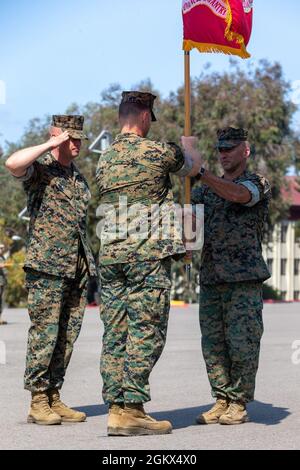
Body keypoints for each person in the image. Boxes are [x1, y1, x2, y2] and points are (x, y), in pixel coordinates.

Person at [96, 91, 201, 436]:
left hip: (111, 258)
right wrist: (189, 143)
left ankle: (116, 407)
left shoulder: (104, 159)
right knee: (146, 331)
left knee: (115, 333)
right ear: (144, 117)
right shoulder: (157, 152)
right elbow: (193, 166)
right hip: (146, 257)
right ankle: (133, 410)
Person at [6, 115, 98, 425]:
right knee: (44, 334)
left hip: (76, 267)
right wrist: (48, 144)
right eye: (68, 138)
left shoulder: (77, 177)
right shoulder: (40, 170)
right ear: (55, 136)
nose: (75, 144)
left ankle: (53, 395)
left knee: (67, 335)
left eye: (78, 139)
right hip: (46, 266)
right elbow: (11, 164)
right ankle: (37, 400)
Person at [190, 127, 271, 425]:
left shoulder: (257, 183)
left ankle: (238, 401)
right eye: (220, 149)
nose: (224, 154)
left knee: (243, 342)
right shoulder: (201, 191)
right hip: (211, 277)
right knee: (213, 344)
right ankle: (221, 397)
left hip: (243, 279)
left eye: (230, 149)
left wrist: (202, 174)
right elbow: (189, 228)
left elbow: (239, 196)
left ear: (245, 151)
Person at [0, 243, 7, 325]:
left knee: (1, 301)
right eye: (0, 248)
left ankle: (0, 318)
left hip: (2, 282)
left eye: (2, 248)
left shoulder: (2, 257)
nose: (1, 250)